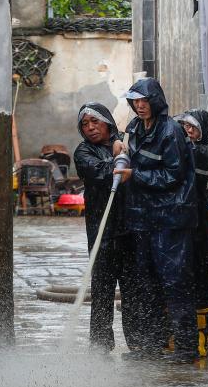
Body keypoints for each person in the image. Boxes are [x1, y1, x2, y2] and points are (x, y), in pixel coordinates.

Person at [114, 78, 199, 363]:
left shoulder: (170, 131)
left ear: (155, 101)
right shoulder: (135, 128)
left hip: (171, 218)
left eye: (144, 100)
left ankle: (186, 349)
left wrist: (134, 175)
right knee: (147, 283)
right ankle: (152, 345)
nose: (140, 106)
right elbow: (130, 154)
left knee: (175, 283)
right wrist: (121, 152)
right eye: (135, 101)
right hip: (144, 217)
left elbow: (173, 175)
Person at [73, 102, 140, 353]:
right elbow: (102, 173)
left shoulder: (127, 142)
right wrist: (116, 156)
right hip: (101, 232)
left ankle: (138, 345)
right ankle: (100, 347)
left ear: (108, 122)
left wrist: (123, 149)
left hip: (130, 230)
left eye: (95, 122)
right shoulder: (83, 152)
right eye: (85, 124)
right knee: (102, 292)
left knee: (133, 291)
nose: (90, 128)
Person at [175, 109, 208, 358]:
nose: (188, 131)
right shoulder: (186, 148)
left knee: (199, 278)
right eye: (185, 127)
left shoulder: (204, 151)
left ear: (203, 131)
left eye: (193, 127)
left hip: (199, 225)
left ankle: (201, 341)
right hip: (184, 223)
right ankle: (178, 337)